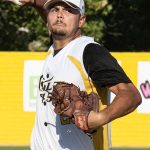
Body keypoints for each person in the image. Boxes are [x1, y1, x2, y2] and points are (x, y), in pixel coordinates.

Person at [8, 0, 142, 149]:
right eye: (55, 9)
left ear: (82, 20)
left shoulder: (89, 51)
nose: (60, 14)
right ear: (47, 19)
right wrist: (33, 2)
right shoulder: (54, 49)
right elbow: (52, 19)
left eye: (69, 10)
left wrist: (99, 117)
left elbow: (131, 95)